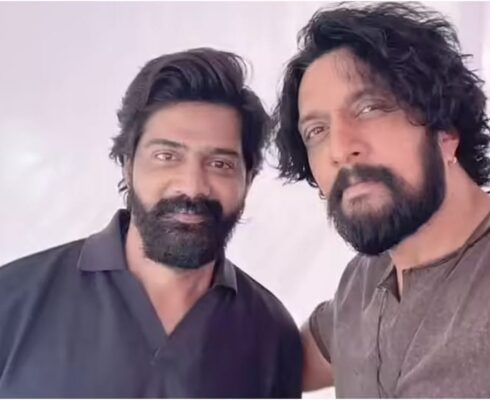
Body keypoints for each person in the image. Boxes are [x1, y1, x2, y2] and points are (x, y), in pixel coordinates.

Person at [272, 2, 490, 397]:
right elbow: (266, 364)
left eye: (370, 108)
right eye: (316, 130)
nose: (340, 149)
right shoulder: (359, 288)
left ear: (446, 131)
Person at [0, 48, 301, 398]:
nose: (191, 186)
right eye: (166, 156)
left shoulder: (272, 332)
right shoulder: (12, 299)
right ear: (127, 165)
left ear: (248, 179)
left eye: (220, 164)